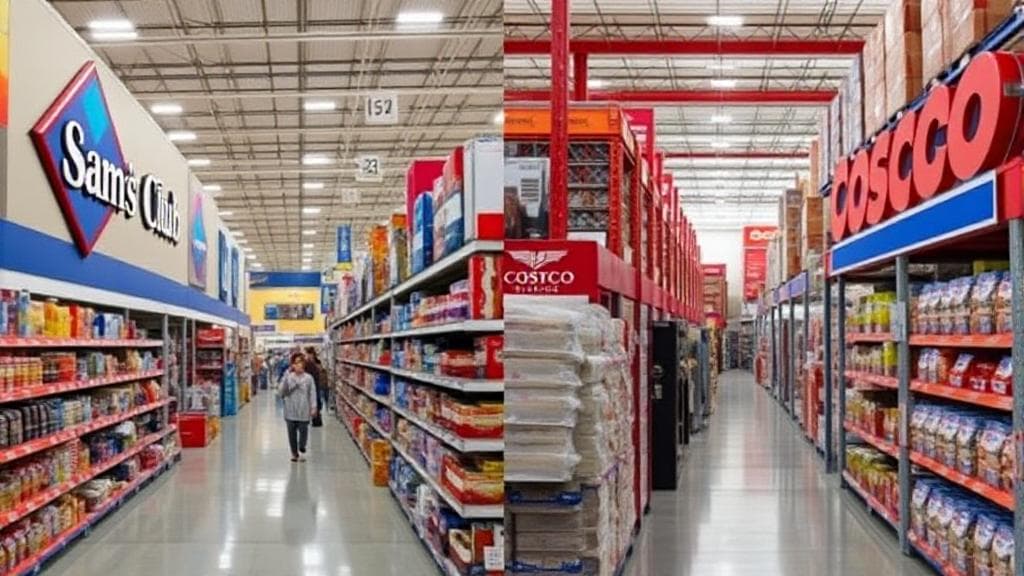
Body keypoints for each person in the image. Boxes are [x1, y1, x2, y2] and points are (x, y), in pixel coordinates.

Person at [278, 352, 317, 462]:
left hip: (304, 409)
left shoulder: (309, 378)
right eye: (296, 363)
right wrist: (285, 378)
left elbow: (312, 393)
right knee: (291, 434)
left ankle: (302, 446)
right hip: (290, 410)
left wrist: (314, 407)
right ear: (292, 365)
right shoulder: (288, 377)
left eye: (301, 362)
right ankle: (294, 454)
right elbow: (281, 392)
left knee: (303, 431)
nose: (299, 365)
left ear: (304, 364)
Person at [304, 347, 327, 413]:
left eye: (308, 354)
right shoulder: (306, 362)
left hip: (316, 383)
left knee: (317, 399)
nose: (308, 356)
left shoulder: (317, 361)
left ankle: (317, 413)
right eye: (307, 354)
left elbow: (321, 370)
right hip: (308, 384)